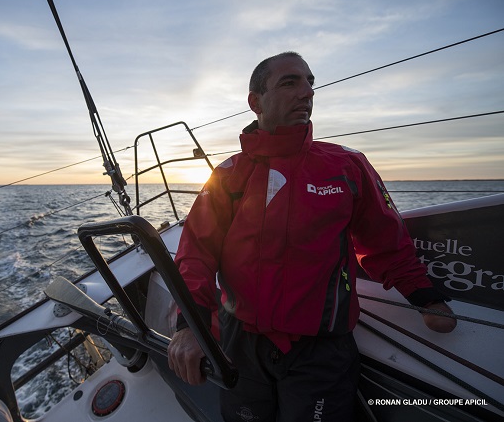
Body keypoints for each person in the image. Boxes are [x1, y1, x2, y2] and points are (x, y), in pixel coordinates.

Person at [167, 51, 456, 422]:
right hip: (240, 344)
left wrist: (426, 299)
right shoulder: (227, 176)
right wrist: (191, 328)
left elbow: (386, 243)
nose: (306, 92)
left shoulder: (347, 166)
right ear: (256, 101)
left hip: (321, 351)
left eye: (310, 83)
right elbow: (196, 256)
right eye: (290, 82)